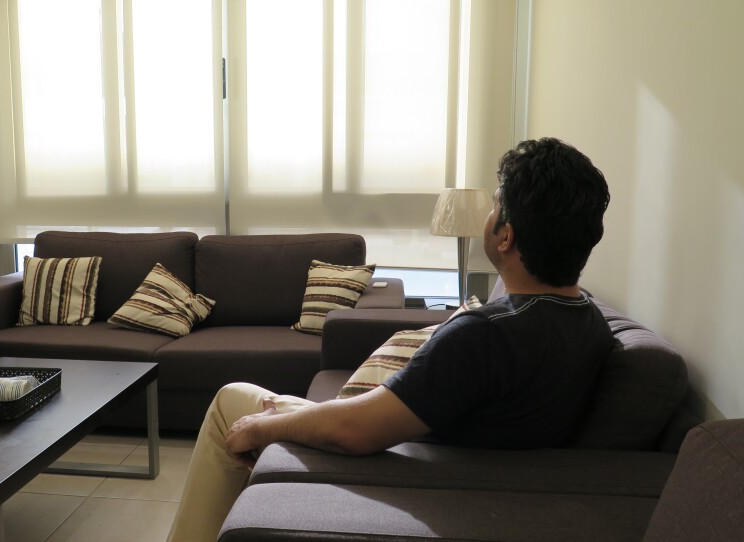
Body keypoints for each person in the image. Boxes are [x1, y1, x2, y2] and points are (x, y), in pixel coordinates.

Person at [166, 137, 614, 541]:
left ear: (506, 236)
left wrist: (264, 426)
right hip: (439, 454)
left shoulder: (485, 335)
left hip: (400, 464)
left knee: (232, 405)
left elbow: (353, 431)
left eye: (495, 207)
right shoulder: (590, 322)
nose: (489, 217)